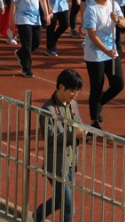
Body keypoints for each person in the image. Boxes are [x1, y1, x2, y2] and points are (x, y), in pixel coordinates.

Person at [34, 69, 85, 222]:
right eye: (72, 91)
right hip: (56, 166)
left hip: (71, 163)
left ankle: (38, 215)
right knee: (69, 205)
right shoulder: (48, 109)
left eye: (77, 92)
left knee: (59, 200)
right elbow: (50, 137)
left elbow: (80, 124)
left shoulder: (73, 104)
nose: (75, 95)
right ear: (61, 87)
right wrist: (74, 135)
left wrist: (83, 133)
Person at [82, 0, 125, 130]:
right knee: (97, 86)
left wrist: (118, 20)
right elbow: (92, 35)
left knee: (118, 83)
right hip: (95, 54)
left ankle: (99, 104)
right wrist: (106, 50)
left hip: (111, 51)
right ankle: (94, 120)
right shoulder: (92, 9)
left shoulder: (114, 5)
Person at [9, 0, 51, 78]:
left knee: (36, 43)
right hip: (23, 19)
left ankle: (20, 53)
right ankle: (26, 68)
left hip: (35, 18)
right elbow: (14, 3)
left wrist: (46, 14)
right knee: (27, 44)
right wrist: (12, 18)